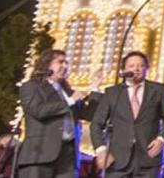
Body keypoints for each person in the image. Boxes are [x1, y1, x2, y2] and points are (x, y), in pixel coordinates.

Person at [15, 49, 101, 178]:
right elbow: (38, 111)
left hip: (67, 157)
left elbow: (90, 115)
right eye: (60, 62)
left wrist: (95, 88)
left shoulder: (68, 91)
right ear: (46, 64)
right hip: (40, 156)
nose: (65, 66)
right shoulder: (32, 87)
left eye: (67, 62)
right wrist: (70, 101)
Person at [91, 51, 164, 178]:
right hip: (117, 161)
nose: (136, 69)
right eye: (131, 66)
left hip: (148, 159)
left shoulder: (158, 90)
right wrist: (101, 150)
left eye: (141, 65)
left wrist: (161, 139)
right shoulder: (113, 93)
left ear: (146, 69)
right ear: (124, 70)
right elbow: (96, 124)